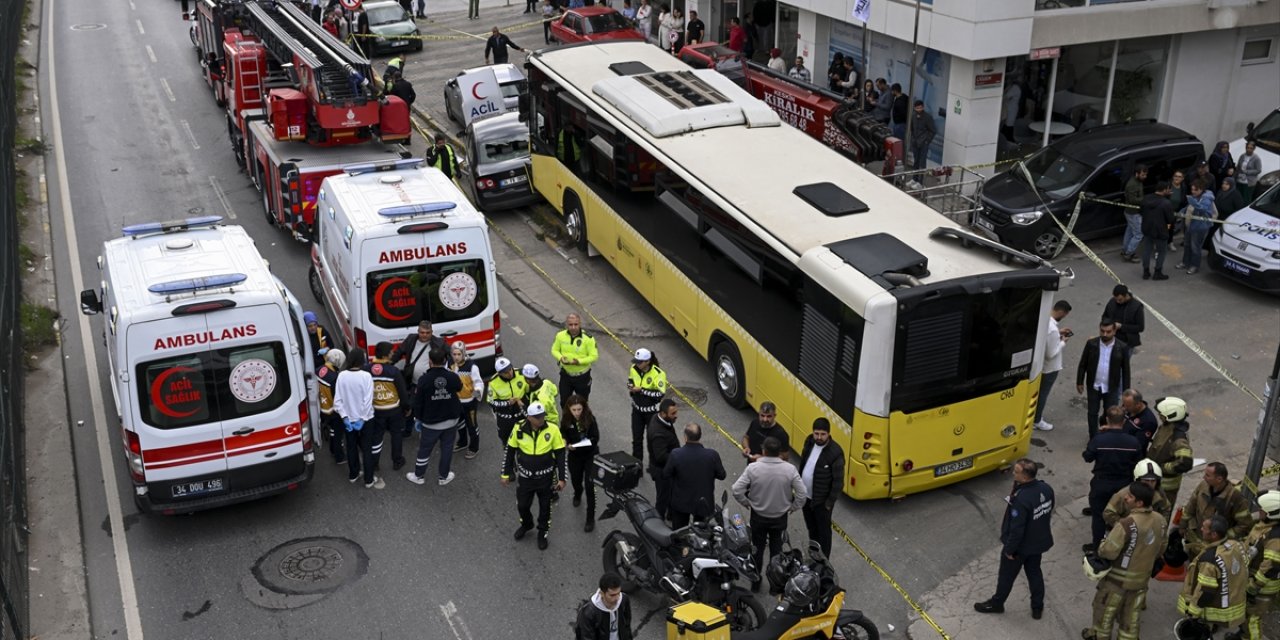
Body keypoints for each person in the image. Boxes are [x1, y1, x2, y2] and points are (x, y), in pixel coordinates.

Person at [1083, 482, 1167, 640]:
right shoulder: (1160, 520)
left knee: (1104, 610)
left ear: (1139, 503)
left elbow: (1108, 551)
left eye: (1130, 497)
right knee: (1131, 615)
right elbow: (1161, 548)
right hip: (1141, 581)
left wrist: (1101, 544)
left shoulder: (1126, 524)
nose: (1126, 498)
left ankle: (1098, 636)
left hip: (1116, 582)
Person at [974, 457, 1055, 619]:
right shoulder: (1046, 488)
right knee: (1034, 573)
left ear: (1025, 476)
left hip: (1020, 547)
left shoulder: (1021, 499)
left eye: (1016, 472)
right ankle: (1037, 607)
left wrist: (1010, 550)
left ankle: (997, 603)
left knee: (1006, 576)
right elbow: (1048, 510)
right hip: (1038, 542)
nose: (1013, 473)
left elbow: (1017, 530)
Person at [732, 436, 807, 592]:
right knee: (777, 551)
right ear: (779, 452)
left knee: (757, 549)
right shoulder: (789, 469)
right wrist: (793, 507)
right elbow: (802, 494)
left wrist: (747, 503)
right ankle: (776, 584)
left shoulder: (753, 468)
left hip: (758, 517)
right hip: (779, 518)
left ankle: (756, 581)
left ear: (764, 451)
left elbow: (736, 490)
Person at [501, 402, 567, 550]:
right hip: (525, 479)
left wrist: (562, 478)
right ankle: (527, 524)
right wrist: (505, 473)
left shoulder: (553, 429)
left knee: (545, 508)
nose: (541, 419)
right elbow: (509, 451)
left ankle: (542, 532)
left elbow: (561, 455)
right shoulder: (518, 428)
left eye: (542, 416)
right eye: (537, 417)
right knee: (522, 505)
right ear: (529, 417)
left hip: (545, 479)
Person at [1082, 407, 1143, 551]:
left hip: (1102, 483)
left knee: (1098, 516)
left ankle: (1098, 546)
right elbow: (1138, 463)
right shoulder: (1133, 442)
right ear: (1123, 421)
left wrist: (1099, 435)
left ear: (1108, 420)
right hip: (1123, 485)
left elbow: (1087, 457)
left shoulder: (1099, 439)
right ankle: (1121, 544)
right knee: (1121, 515)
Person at [1178, 515, 1248, 635]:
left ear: (1214, 534)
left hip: (1213, 607)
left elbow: (1206, 591)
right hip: (1233, 601)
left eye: (1204, 528)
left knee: (1203, 632)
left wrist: (1194, 613)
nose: (1201, 529)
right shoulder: (1235, 545)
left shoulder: (1210, 560)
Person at [407, 348, 461, 486]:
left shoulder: (424, 379)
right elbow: (459, 387)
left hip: (430, 424)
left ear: (430, 361)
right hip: (451, 421)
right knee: (447, 449)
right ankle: (443, 476)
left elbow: (418, 403)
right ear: (445, 360)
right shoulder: (452, 376)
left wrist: (417, 419)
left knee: (424, 450)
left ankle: (419, 476)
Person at [1181, 462, 1254, 558]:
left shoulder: (1235, 498)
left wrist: (1223, 536)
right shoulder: (1203, 486)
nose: (1204, 477)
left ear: (1219, 479)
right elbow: (1191, 505)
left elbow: (1245, 524)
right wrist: (1182, 524)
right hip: (1196, 542)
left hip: (1216, 549)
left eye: (1208, 475)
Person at [333, 349, 383, 489]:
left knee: (351, 447)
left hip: (348, 419)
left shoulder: (341, 375)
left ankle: (353, 475)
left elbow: (338, 401)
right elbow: (368, 400)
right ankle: (368, 480)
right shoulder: (366, 376)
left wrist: (345, 417)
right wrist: (362, 418)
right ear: (362, 360)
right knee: (366, 448)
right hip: (366, 419)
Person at [1076, 318, 1131, 440]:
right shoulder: (1091, 344)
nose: (1105, 334)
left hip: (1111, 387)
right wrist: (1079, 381)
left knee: (1110, 413)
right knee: (1092, 413)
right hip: (1094, 386)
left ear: (1114, 331)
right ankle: (1093, 437)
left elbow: (1126, 371)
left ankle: (1107, 437)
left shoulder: (1122, 347)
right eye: (1102, 331)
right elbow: (1083, 364)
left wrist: (1126, 392)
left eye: (1108, 331)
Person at [664, 423, 725, 529]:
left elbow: (666, 474)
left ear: (685, 437)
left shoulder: (676, 454)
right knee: (701, 534)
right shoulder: (712, 455)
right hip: (703, 503)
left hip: (681, 503)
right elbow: (722, 475)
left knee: (679, 533)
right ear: (700, 436)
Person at [798, 418, 844, 557]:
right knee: (811, 528)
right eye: (816, 433)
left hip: (821, 503)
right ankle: (814, 553)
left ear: (829, 434)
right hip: (806, 497)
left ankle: (824, 561)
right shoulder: (809, 442)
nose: (819, 437)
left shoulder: (835, 453)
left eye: (822, 434)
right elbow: (803, 463)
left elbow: (838, 482)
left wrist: (828, 504)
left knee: (824, 533)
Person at [1240, 490, 1280, 640]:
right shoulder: (1266, 526)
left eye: (1262, 509)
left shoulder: (1275, 538)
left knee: (1253, 619)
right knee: (1246, 614)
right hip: (1252, 578)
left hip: (1262, 587)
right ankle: (1243, 635)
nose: (1259, 512)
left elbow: (1270, 567)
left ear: (1271, 513)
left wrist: (1254, 586)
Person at [368, 341, 410, 471]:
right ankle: (397, 461)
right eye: (391, 352)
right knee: (396, 435)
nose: (393, 353)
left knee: (377, 436)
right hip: (394, 410)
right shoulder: (394, 371)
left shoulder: (366, 369)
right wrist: (406, 407)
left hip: (376, 409)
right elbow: (402, 392)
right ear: (386, 355)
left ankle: (374, 463)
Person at [561, 394, 600, 532]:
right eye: (574, 410)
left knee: (590, 487)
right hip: (575, 457)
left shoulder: (590, 419)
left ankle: (590, 518)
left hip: (590, 455)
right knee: (576, 480)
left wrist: (579, 445)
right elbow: (563, 433)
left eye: (579, 409)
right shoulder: (566, 420)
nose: (577, 413)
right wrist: (565, 441)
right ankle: (578, 492)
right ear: (569, 409)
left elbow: (595, 438)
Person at [1148, 396, 1194, 508]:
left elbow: (1185, 463)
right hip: (1156, 482)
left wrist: (1162, 467)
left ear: (1171, 415)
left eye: (1162, 414)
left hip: (1166, 488)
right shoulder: (1167, 426)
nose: (1160, 416)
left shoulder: (1178, 439)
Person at [1034, 299, 1072, 431]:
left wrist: (1059, 333)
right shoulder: (1052, 330)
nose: (1064, 317)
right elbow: (1051, 353)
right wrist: (1063, 342)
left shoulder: (1047, 322)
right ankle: (1037, 420)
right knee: (1042, 394)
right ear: (1061, 312)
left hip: (1042, 366)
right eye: (1064, 314)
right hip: (1049, 368)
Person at [1104, 458, 1172, 528]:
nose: (1150, 484)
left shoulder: (1159, 492)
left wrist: (1161, 525)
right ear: (1138, 480)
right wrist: (1125, 527)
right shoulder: (1123, 494)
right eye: (1146, 480)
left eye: (1153, 481)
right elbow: (1108, 513)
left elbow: (1166, 509)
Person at [627, 348, 666, 465]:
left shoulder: (658, 374)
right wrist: (630, 386)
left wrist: (642, 390)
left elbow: (660, 394)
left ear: (647, 361)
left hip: (651, 414)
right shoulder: (634, 368)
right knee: (636, 441)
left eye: (640, 362)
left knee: (652, 441)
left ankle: (655, 467)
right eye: (636, 361)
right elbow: (630, 380)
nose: (637, 364)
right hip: (637, 411)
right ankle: (636, 468)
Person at [552, 313, 598, 405]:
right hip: (566, 375)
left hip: (582, 377)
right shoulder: (560, 336)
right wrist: (560, 358)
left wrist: (579, 362)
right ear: (566, 325)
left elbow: (594, 356)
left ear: (580, 324)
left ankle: (582, 419)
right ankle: (567, 419)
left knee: (582, 403)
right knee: (564, 402)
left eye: (575, 324)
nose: (573, 327)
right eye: (570, 324)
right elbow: (554, 350)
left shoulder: (588, 338)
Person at [448, 341, 483, 459]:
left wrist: (474, 393)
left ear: (463, 353)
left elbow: (478, 382)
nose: (456, 357)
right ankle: (462, 442)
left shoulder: (472, 366)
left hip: (469, 403)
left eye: (459, 354)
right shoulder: (450, 365)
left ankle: (474, 447)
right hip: (457, 402)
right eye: (454, 354)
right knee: (459, 424)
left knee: (472, 426)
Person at [390, 321, 446, 393]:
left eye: (427, 332)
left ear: (432, 332)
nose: (425, 335)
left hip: (432, 384)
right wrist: (387, 365)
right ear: (418, 331)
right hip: (413, 384)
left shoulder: (439, 342)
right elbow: (398, 353)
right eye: (422, 332)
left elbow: (450, 355)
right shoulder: (411, 339)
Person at [646, 399, 680, 519]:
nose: (676, 416)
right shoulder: (658, 433)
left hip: (667, 469)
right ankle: (658, 520)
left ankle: (671, 514)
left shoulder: (659, 419)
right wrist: (679, 456)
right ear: (663, 414)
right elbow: (661, 456)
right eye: (673, 414)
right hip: (662, 472)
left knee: (671, 493)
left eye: (676, 412)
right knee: (663, 498)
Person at [575, 572, 633, 640]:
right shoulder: (589, 613)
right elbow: (587, 637)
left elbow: (627, 625)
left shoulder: (623, 599)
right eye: (612, 595)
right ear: (602, 593)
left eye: (618, 593)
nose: (617, 598)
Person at [486, 357, 528, 446]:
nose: (510, 373)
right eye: (506, 372)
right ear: (499, 373)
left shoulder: (521, 373)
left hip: (521, 415)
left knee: (526, 440)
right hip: (505, 419)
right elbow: (490, 401)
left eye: (510, 369)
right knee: (506, 442)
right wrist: (507, 403)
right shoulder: (493, 382)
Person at [1178, 179, 1216, 275]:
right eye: (1192, 189)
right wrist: (1182, 211)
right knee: (1187, 245)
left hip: (1200, 227)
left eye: (1195, 190)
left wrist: (1193, 202)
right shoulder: (1197, 196)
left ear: (1201, 189)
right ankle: (1185, 262)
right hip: (1190, 225)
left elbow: (1202, 209)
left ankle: (1194, 266)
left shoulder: (1206, 199)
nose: (1193, 192)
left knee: (1195, 247)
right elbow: (1189, 206)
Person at [316, 349, 347, 464]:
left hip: (322, 408)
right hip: (333, 410)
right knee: (338, 434)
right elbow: (338, 398)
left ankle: (332, 449)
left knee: (332, 431)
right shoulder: (335, 377)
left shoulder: (319, 370)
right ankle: (339, 456)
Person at [1139, 180, 1175, 280]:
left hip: (1147, 229)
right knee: (1161, 252)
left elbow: (1140, 211)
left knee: (1147, 250)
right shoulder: (1166, 203)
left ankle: (1146, 272)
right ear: (1165, 190)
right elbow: (1170, 219)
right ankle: (1157, 272)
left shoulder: (1146, 199)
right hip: (1160, 231)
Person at [1101, 285, 1145, 353]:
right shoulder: (1112, 302)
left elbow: (1140, 327)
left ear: (1126, 295)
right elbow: (1104, 316)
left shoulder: (1137, 307)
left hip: (1127, 342)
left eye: (1120, 299)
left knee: (1122, 363)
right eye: (1116, 299)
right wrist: (1108, 324)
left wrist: (1121, 326)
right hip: (1111, 339)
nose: (1118, 301)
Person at [1121, 165, 1148, 262]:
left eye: (1145, 174)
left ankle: (1125, 249)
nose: (1145, 176)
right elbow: (1132, 199)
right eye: (1143, 174)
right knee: (1139, 234)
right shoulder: (1133, 184)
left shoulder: (1137, 181)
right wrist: (1144, 200)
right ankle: (1129, 253)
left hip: (1131, 212)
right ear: (1137, 173)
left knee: (1130, 231)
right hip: (1133, 213)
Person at [1120, 389, 1158, 456]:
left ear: (1138, 404)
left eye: (1128, 406)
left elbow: (1138, 445)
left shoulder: (1148, 421)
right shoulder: (1129, 408)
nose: (1124, 408)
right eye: (1124, 404)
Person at [521, 364, 560, 428]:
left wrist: (520, 404)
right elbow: (555, 392)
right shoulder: (546, 382)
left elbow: (535, 415)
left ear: (528, 380)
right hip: (553, 417)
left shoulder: (540, 398)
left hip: (545, 422)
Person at [909, 100, 935, 171]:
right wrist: (913, 139)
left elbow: (932, 131)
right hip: (915, 142)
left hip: (923, 143)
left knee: (922, 163)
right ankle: (914, 179)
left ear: (923, 107)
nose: (919, 110)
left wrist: (927, 141)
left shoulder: (928, 117)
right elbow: (912, 128)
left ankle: (920, 181)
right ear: (914, 108)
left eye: (920, 108)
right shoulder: (913, 116)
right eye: (917, 108)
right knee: (915, 161)